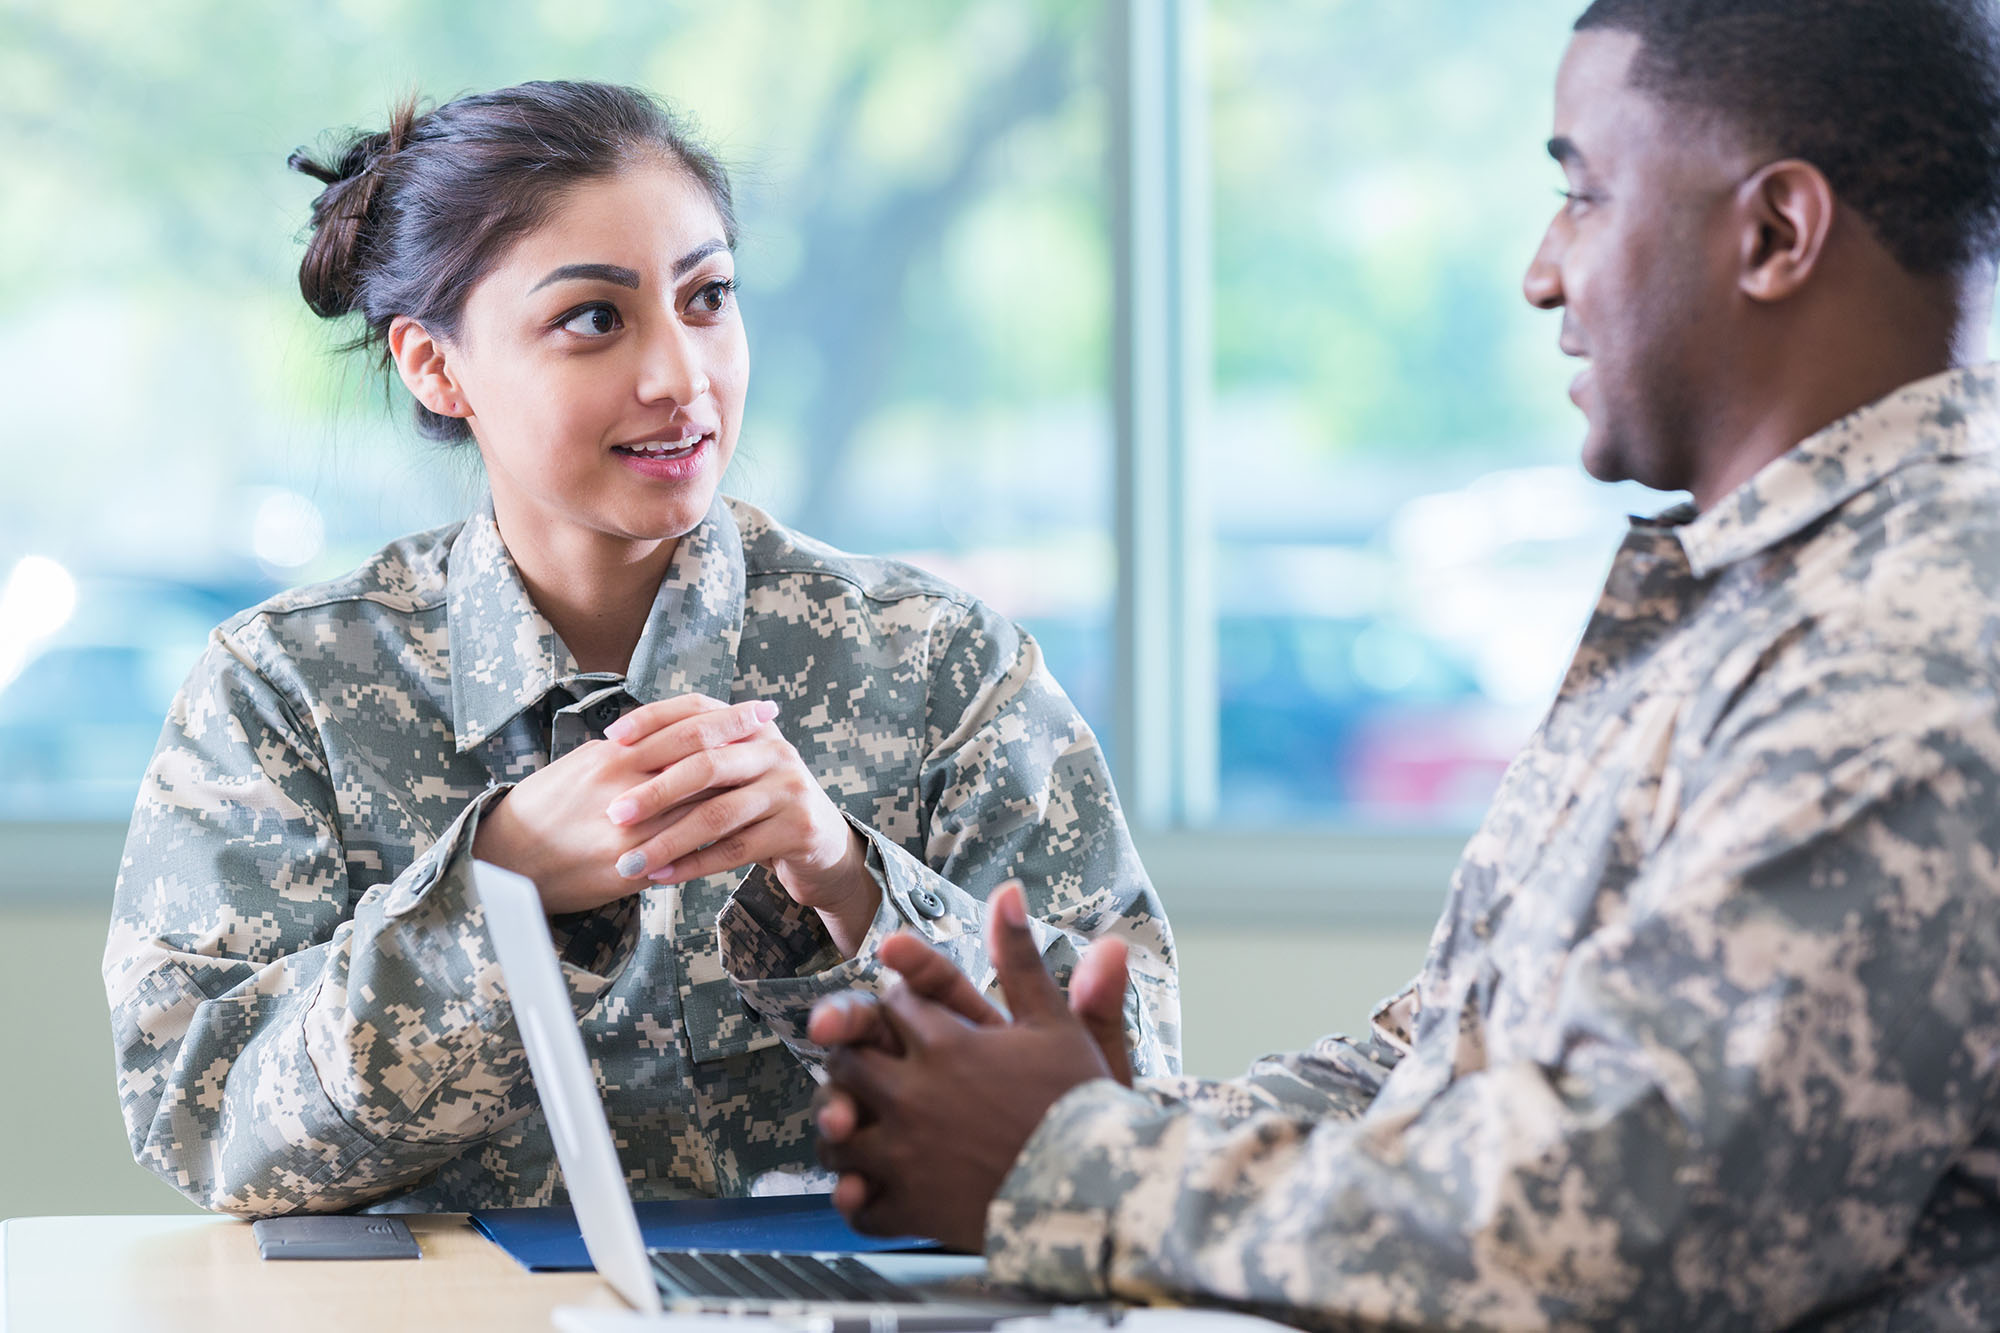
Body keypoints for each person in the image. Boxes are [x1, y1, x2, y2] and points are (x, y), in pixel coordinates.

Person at [808, 1, 2000, 1327]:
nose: (1543, 272)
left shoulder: (1919, 643)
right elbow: (1442, 1073)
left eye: (1584, 197)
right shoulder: (1764, 600)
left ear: (1774, 233)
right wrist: (1085, 1111)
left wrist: (1071, 1164)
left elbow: (1614, 1234)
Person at [100, 80, 1179, 1217]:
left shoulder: (939, 665)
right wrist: (495, 888)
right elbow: (203, 1123)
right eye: (593, 319)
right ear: (435, 365)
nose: (680, 378)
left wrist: (849, 885)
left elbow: (1131, 1085)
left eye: (707, 297)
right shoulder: (286, 691)